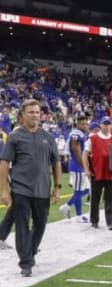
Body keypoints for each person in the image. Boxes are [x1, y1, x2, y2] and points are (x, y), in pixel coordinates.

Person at [0, 99, 62, 276]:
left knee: (41, 224)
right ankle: (26, 263)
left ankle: (30, 252)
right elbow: (4, 163)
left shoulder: (48, 138)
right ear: (22, 115)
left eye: (37, 112)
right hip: (21, 190)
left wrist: (57, 187)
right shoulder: (15, 136)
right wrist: (4, 190)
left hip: (43, 190)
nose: (35, 115)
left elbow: (56, 163)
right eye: (31, 112)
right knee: (21, 225)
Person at [83, 116, 112, 230]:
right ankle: (94, 220)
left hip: (110, 174)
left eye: (108, 123)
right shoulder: (92, 138)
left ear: (111, 125)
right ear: (100, 125)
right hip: (96, 173)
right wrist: (86, 169)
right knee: (95, 199)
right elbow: (85, 154)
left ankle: (110, 222)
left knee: (110, 200)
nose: (106, 125)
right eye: (104, 123)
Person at [58, 114, 90, 223]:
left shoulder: (81, 133)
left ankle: (78, 215)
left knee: (85, 190)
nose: (85, 126)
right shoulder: (76, 134)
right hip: (77, 166)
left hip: (78, 166)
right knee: (80, 191)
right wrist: (85, 166)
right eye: (83, 124)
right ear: (78, 124)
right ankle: (67, 207)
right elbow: (77, 153)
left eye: (86, 123)